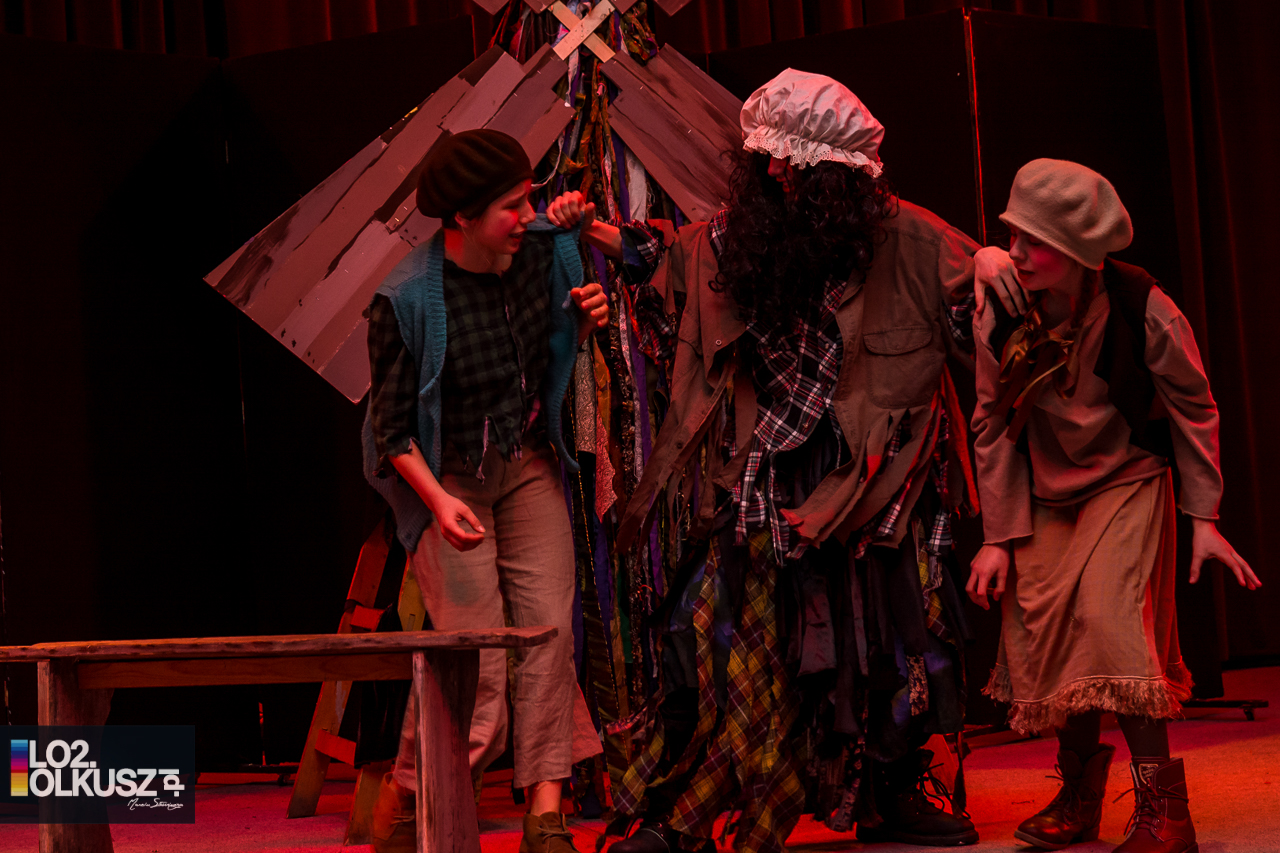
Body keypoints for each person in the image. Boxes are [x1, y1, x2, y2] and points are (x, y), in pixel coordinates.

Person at [548, 69, 1024, 852]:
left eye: (789, 161)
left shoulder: (909, 237)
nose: (772, 172)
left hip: (877, 485)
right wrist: (595, 230)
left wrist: (992, 261)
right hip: (766, 483)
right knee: (721, 643)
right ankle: (683, 816)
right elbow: (671, 257)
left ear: (834, 173)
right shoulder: (743, 236)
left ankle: (890, 794)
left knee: (890, 642)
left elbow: (979, 283)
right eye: (765, 157)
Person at [966, 158, 1261, 852]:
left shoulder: (1141, 304)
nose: (1016, 252)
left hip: (1127, 479)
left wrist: (1204, 517)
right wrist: (997, 537)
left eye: (1035, 241)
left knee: (1109, 625)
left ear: (1077, 248)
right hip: (1045, 490)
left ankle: (1167, 814)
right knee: (1051, 637)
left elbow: (1194, 406)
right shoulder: (1003, 307)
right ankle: (1080, 797)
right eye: (1011, 236)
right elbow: (991, 422)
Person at [361, 128, 609, 853]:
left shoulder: (541, 253)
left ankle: (545, 816)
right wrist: (439, 504)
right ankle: (414, 800)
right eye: (511, 206)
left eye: (529, 198)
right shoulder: (407, 297)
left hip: (524, 457)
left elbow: (561, 337)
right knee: (478, 662)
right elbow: (391, 434)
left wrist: (585, 317)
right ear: (463, 217)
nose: (527, 215)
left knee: (549, 634)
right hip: (444, 475)